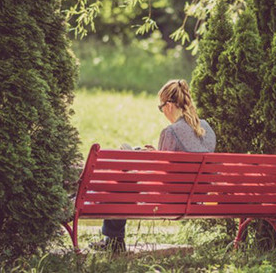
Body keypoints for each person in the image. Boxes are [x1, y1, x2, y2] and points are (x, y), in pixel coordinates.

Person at [91, 79, 216, 253]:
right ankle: (113, 240)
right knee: (127, 177)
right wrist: (156, 154)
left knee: (125, 180)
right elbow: (178, 164)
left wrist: (142, 159)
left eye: (161, 107)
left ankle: (113, 241)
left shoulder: (170, 132)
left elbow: (162, 176)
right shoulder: (206, 128)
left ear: (169, 106)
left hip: (170, 201)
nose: (162, 112)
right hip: (196, 198)